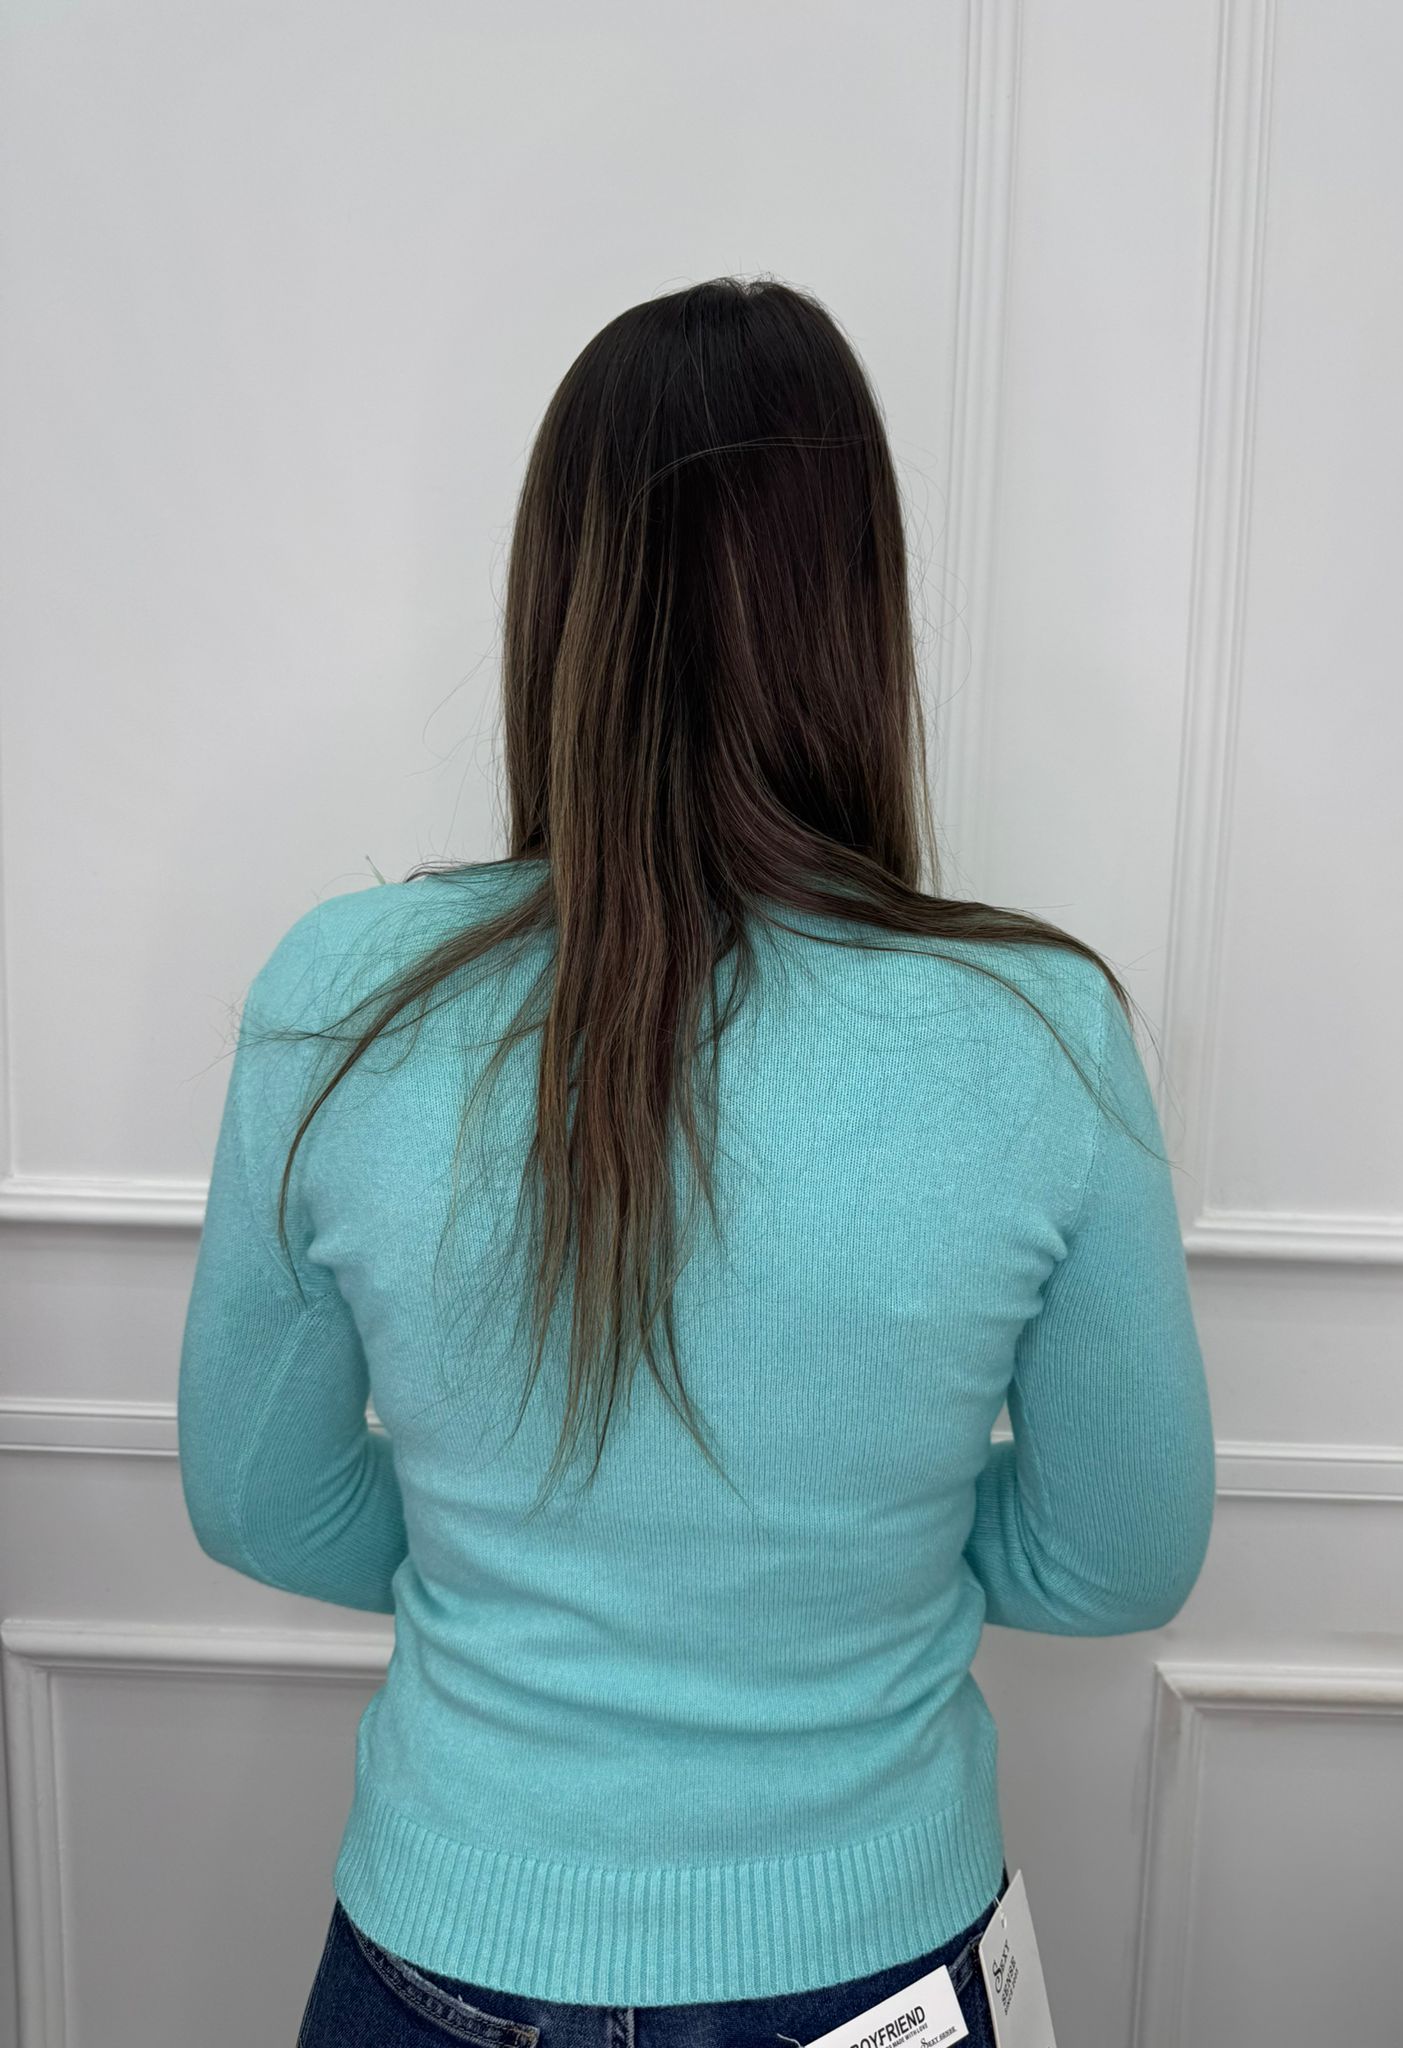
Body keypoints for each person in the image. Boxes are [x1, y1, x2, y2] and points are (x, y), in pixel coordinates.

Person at [176, 275, 1217, 2048]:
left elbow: (258, 1501)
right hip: (871, 1953)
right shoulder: (1038, 1030)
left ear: (556, 596)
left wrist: (527, 1568)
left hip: (447, 1950)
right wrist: (853, 1559)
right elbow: (1120, 1556)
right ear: (859, 612)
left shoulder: (339, 997)